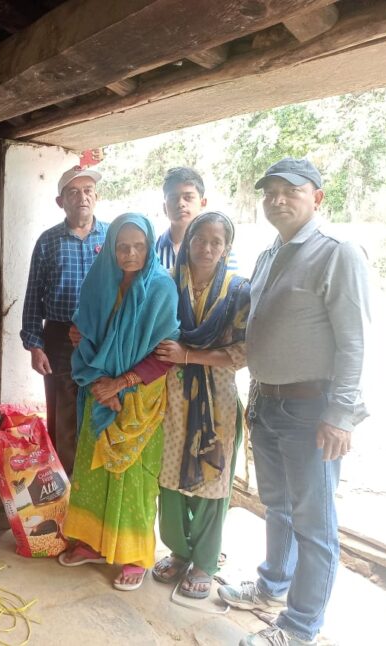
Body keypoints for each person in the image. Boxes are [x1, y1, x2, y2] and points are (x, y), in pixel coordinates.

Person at [218, 158, 370, 646]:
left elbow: (354, 342)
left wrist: (341, 415)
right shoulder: (270, 254)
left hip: (311, 410)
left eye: (291, 190)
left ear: (317, 197)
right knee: (278, 506)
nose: (277, 199)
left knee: (314, 523)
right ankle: (272, 585)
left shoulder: (337, 253)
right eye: (270, 192)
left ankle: (300, 627)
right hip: (268, 402)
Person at [57, 213, 179, 590]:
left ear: (150, 247)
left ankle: (133, 556)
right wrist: (99, 382)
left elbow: (165, 354)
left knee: (133, 478)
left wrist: (120, 384)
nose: (130, 254)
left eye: (138, 246)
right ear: (110, 248)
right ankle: (92, 543)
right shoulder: (99, 281)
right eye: (122, 246)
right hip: (98, 390)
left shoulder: (160, 287)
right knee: (92, 471)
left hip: (139, 398)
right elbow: (85, 334)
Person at [151, 212, 250, 598]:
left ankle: (205, 561)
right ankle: (179, 551)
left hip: (218, 399)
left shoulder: (239, 291)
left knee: (213, 475)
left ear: (226, 247)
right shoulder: (166, 283)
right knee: (169, 473)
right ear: (188, 241)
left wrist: (189, 355)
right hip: (173, 396)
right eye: (199, 239)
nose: (206, 248)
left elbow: (243, 352)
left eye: (216, 241)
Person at [20, 166, 108, 474]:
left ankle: (95, 483)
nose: (82, 197)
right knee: (63, 412)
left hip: (104, 337)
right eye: (73, 192)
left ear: (96, 197)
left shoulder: (113, 238)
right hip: (58, 337)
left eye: (88, 190)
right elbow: (33, 295)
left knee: (102, 404)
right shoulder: (48, 241)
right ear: (61, 202)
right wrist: (35, 346)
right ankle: (66, 486)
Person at [156, 167, 238, 271]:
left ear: (203, 203)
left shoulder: (220, 252)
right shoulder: (152, 251)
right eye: (173, 198)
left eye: (188, 197)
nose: (181, 203)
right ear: (164, 207)